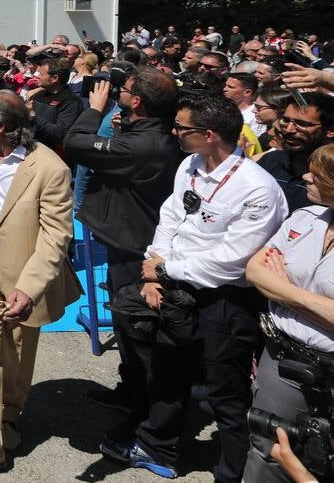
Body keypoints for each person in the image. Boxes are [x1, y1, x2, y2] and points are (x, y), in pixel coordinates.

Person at [100, 97, 286, 483]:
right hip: (175, 288)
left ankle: (232, 473)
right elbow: (172, 217)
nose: (174, 132)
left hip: (225, 301)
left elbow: (232, 259)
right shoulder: (190, 164)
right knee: (169, 371)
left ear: (209, 135)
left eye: (181, 128)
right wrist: (154, 273)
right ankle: (158, 447)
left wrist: (165, 270)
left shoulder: (258, 189)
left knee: (226, 394)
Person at [0, 90, 82, 479]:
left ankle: (9, 417)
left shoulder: (51, 169)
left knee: (20, 351)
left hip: (24, 273)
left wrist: (29, 287)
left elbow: (56, 237)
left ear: (2, 127)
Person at [62, 67, 182, 414]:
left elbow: (76, 143)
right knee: (126, 321)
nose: (118, 93)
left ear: (138, 100)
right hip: (128, 239)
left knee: (135, 325)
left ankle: (142, 405)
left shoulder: (143, 144)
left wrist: (95, 109)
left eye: (124, 90)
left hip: (134, 247)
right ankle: (130, 388)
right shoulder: (152, 133)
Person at [242, 143, 334, 482]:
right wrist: (315, 305)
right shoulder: (304, 217)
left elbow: (271, 283)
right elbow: (255, 271)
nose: (306, 177)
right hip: (283, 360)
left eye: (319, 175)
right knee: (266, 449)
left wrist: (284, 293)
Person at [259, 92, 334, 212]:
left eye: (302, 124)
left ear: (330, 130)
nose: (289, 130)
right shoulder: (269, 161)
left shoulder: (330, 175)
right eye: (285, 121)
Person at [24, 57, 80, 152]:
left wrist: (33, 116)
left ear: (55, 78)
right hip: (30, 147)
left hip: (51, 154)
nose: (37, 77)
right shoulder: (38, 95)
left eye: (41, 74)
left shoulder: (70, 101)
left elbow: (59, 133)